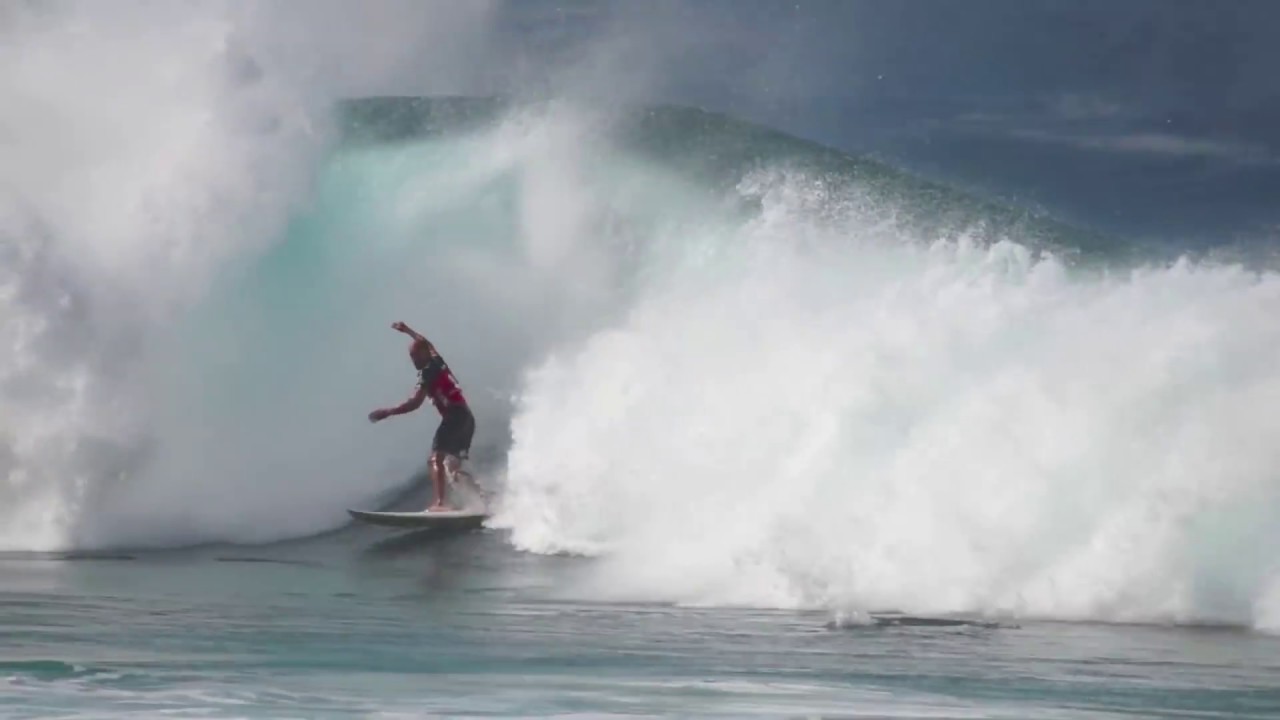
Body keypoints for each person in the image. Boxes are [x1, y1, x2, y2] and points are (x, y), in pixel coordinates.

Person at [368, 321, 476, 512]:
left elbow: (415, 403)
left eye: (416, 355)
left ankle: (441, 504)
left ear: (424, 354)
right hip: (467, 418)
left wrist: (388, 412)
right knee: (453, 469)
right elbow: (428, 343)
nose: (413, 360)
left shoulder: (427, 372)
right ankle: (482, 498)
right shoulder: (438, 362)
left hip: (454, 417)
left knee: (435, 460)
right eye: (411, 356)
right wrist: (408, 331)